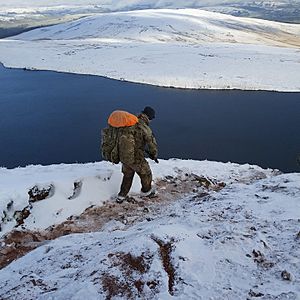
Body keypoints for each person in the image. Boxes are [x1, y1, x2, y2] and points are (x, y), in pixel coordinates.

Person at [117, 106, 158, 203]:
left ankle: (121, 195)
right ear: (149, 117)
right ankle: (147, 192)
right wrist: (154, 154)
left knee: (127, 176)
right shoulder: (143, 126)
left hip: (125, 156)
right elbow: (151, 143)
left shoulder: (131, 122)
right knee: (146, 174)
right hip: (136, 157)